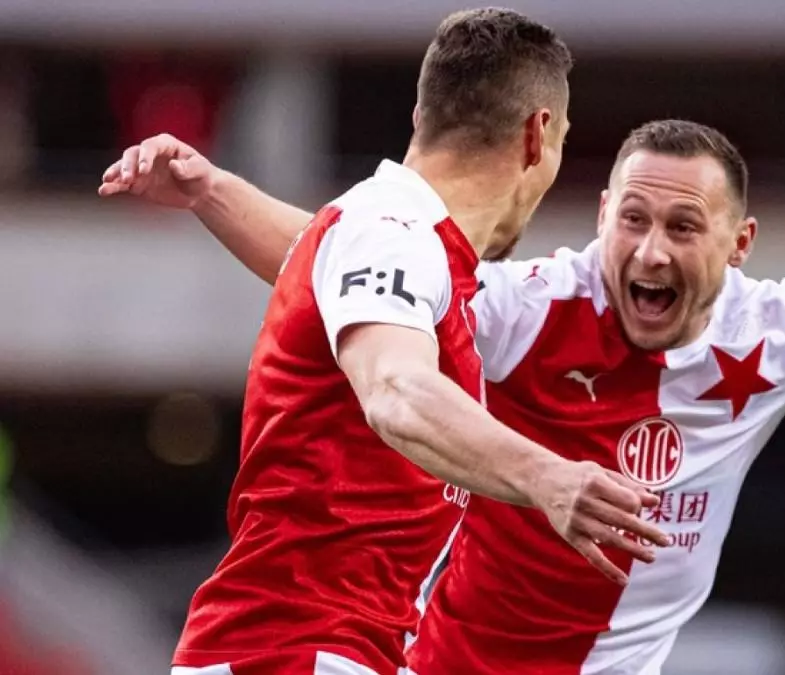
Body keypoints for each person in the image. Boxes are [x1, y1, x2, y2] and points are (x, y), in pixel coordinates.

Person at [104, 119, 785, 674]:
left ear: (740, 241)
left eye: (683, 226)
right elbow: (353, 275)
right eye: (632, 219)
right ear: (602, 220)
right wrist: (214, 190)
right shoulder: (531, 307)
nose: (651, 250)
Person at [98, 9, 668, 675]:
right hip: (295, 651)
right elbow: (396, 389)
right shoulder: (392, 231)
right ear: (538, 135)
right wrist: (548, 477)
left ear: (422, 116)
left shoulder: (391, 240)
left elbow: (321, 258)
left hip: (325, 648)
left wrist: (213, 190)